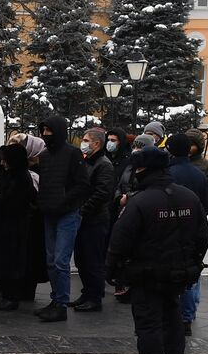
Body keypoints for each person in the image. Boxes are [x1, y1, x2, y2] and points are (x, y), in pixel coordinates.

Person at [106, 146, 208, 354]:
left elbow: (120, 240)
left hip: (146, 274)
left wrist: (111, 270)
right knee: (172, 312)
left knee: (149, 324)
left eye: (137, 169)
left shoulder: (140, 202)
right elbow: (202, 234)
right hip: (179, 272)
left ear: (143, 170)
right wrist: (190, 261)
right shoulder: (188, 197)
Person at [35, 115, 89, 322]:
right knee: (51, 261)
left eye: (49, 131)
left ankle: (62, 303)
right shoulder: (45, 156)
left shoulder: (72, 154)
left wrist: (65, 201)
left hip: (67, 213)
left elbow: (82, 184)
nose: (45, 135)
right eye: (43, 131)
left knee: (60, 261)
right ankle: (55, 298)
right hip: (50, 212)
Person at [0, 141, 48, 310]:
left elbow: (12, 202)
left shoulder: (21, 178)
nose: (2, 163)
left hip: (15, 227)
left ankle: (11, 296)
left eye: (5, 160)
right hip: (12, 226)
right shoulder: (13, 175)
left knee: (13, 261)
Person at [166, 132, 208, 334]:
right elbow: (204, 202)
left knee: (170, 273)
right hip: (192, 229)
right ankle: (187, 317)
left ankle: (172, 315)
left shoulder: (168, 173)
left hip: (169, 228)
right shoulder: (199, 174)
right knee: (191, 275)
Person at [72, 127, 116, 312]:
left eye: (86, 140)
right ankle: (87, 292)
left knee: (93, 260)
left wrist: (83, 210)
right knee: (82, 259)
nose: (83, 143)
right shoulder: (88, 161)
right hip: (85, 219)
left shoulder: (103, 164)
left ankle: (95, 297)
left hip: (95, 220)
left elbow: (102, 193)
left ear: (96, 143)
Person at [111, 132, 158, 304]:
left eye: (140, 146)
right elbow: (119, 184)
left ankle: (132, 285)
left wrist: (129, 198)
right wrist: (119, 198)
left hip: (137, 211)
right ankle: (121, 283)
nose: (136, 149)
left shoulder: (150, 168)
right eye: (135, 146)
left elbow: (147, 189)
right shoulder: (129, 165)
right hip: (123, 210)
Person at [186, 130, 208, 212]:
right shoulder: (173, 162)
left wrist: (201, 211)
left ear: (199, 147)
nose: (188, 148)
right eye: (186, 144)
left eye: (192, 145)